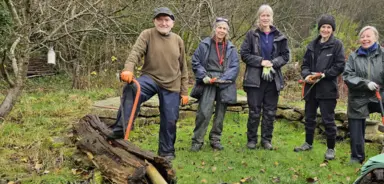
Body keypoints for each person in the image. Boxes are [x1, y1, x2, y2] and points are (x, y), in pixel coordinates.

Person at [108, 7, 188, 161]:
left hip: (172, 83)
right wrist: (128, 69)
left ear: (172, 23)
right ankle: (121, 129)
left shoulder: (178, 40)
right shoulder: (147, 34)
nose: (163, 23)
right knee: (132, 87)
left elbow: (183, 67)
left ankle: (166, 152)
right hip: (150, 78)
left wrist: (184, 92)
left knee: (170, 118)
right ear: (154, 21)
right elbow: (135, 53)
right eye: (160, 19)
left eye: (167, 20)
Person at [342, 26, 384, 164]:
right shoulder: (354, 57)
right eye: (362, 37)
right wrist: (365, 83)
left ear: (375, 38)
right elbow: (348, 76)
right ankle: (357, 157)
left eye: (368, 36)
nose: (365, 39)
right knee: (356, 123)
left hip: (379, 94)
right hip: (358, 96)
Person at [294, 14, 345, 160]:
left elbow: (340, 66)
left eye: (329, 27)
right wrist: (306, 76)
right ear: (319, 28)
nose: (326, 30)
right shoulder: (312, 45)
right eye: (323, 27)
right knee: (309, 117)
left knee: (328, 120)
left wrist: (323, 75)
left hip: (327, 89)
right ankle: (308, 143)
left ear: (332, 29)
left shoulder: (337, 45)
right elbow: (305, 65)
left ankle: (331, 148)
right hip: (311, 88)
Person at [240, 4, 290, 150]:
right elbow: (244, 54)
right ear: (259, 17)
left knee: (269, 111)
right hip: (254, 80)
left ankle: (266, 140)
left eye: (268, 15)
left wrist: (273, 63)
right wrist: (261, 62)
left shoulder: (280, 36)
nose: (265, 18)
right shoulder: (251, 35)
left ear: (271, 18)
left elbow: (286, 56)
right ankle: (252, 140)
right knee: (254, 111)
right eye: (263, 15)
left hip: (273, 80)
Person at [189, 18, 240, 151]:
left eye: (224, 29)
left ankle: (215, 139)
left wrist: (223, 79)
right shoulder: (204, 44)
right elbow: (195, 61)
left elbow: (235, 66)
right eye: (219, 27)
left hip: (224, 82)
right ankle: (197, 141)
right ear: (215, 29)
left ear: (227, 31)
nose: (221, 30)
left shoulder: (231, 48)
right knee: (204, 112)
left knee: (220, 114)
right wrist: (203, 76)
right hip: (208, 81)